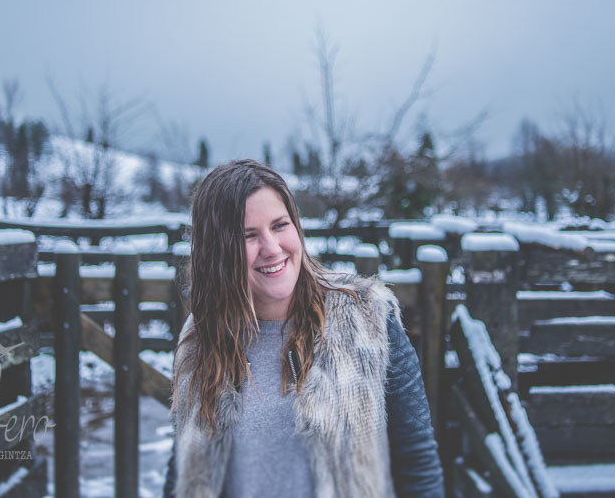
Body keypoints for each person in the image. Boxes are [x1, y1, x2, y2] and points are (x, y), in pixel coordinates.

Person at [163, 159, 443, 497]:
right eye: (248, 236)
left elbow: (418, 464)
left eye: (280, 225)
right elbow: (184, 471)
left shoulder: (366, 320)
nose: (272, 248)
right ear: (218, 253)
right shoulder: (201, 338)